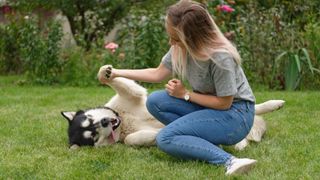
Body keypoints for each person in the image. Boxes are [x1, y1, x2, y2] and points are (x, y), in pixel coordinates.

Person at [99, 0, 257, 175]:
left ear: (192, 37)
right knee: (155, 101)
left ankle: (230, 161)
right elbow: (157, 74)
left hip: (235, 116)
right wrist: (117, 73)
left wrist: (185, 94)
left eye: (175, 38)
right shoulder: (181, 48)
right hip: (210, 108)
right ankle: (204, 140)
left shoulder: (220, 58)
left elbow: (224, 103)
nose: (170, 42)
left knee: (165, 138)